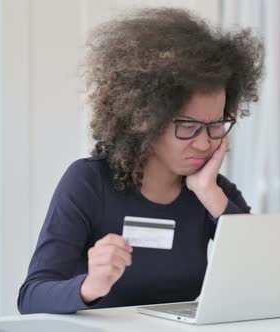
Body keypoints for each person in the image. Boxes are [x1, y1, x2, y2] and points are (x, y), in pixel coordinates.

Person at [17, 7, 264, 314]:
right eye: (188, 127)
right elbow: (31, 298)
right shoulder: (88, 183)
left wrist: (210, 194)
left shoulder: (212, 192)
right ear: (147, 120)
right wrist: (90, 286)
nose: (204, 143)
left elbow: (263, 276)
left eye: (215, 125)